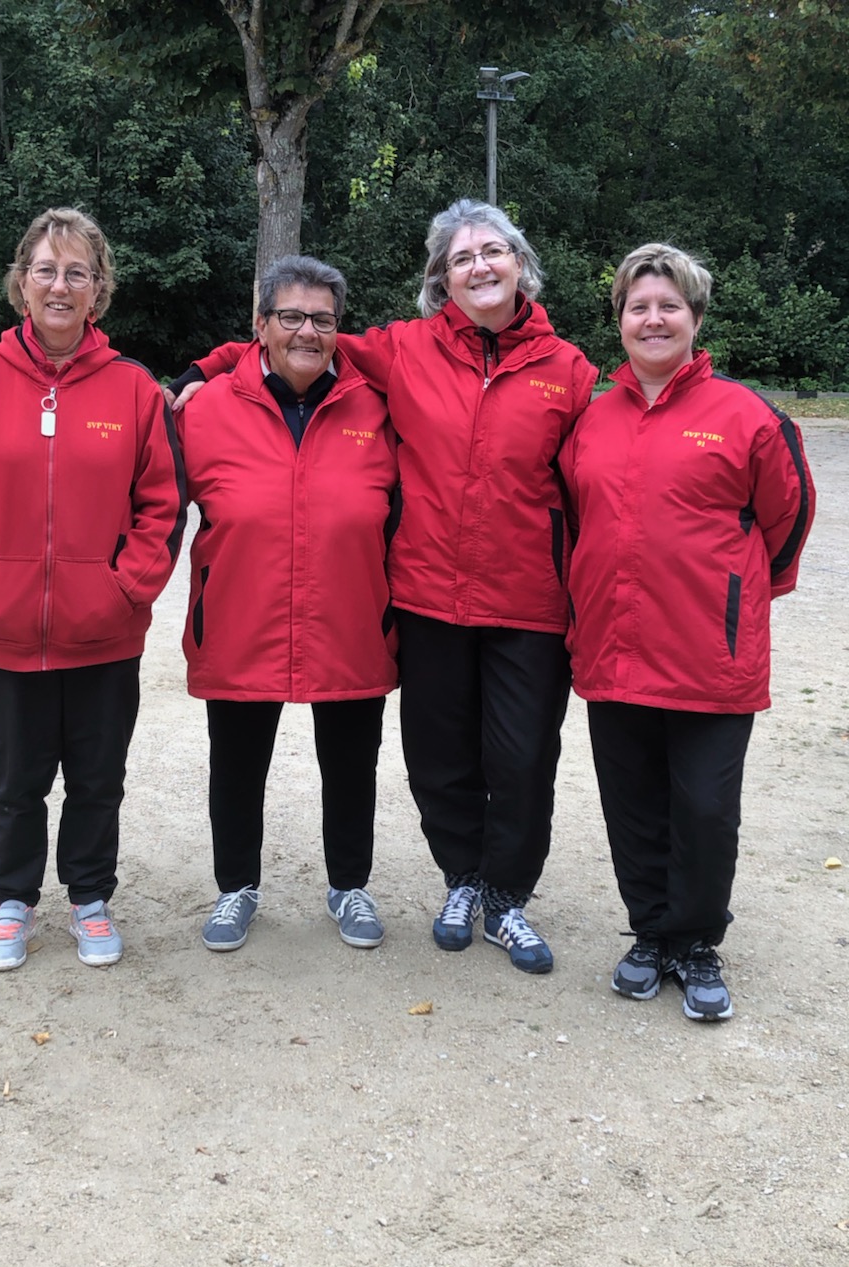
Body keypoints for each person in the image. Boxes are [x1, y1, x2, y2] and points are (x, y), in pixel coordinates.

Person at [168, 200, 597, 973]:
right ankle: (457, 879)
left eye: (492, 252)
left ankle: (500, 896)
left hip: (521, 600)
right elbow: (295, 335)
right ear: (441, 278)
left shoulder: (568, 370)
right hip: (428, 598)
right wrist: (203, 369)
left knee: (519, 757)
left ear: (519, 262)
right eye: (462, 258)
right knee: (435, 758)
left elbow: (596, 483)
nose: (479, 267)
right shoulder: (406, 351)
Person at [0, 207, 187, 972]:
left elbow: (162, 506)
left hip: (103, 634)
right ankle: (13, 902)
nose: (61, 285)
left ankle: (90, 899)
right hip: (4, 633)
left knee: (98, 780)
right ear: (22, 284)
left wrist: (124, 591)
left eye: (78, 272)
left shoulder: (134, 389)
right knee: (14, 780)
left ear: (98, 290)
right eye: (47, 270)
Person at [559, 242, 815, 1021]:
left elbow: (789, 517)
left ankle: (696, 941)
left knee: (703, 807)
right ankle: (649, 934)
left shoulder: (747, 416)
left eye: (670, 305)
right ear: (621, 322)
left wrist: (736, 598)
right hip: (614, 646)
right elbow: (573, 520)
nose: (654, 318)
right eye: (639, 306)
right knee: (631, 803)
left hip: (710, 654)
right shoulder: (592, 419)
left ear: (696, 318)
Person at [176, 255, 398, 952]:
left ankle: (349, 885)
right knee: (236, 762)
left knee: (352, 761)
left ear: (339, 328)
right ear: (261, 325)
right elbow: (148, 505)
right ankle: (236, 886)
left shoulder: (381, 407)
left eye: (323, 319)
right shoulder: (203, 408)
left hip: (353, 618)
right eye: (292, 317)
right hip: (242, 617)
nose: (308, 331)